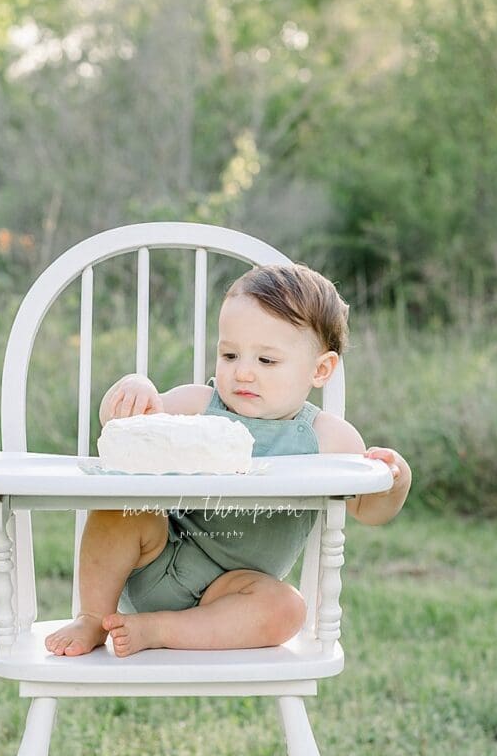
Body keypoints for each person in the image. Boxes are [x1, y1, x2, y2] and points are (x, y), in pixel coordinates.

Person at [45, 262, 411, 658]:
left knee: (288, 609)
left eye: (266, 361)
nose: (243, 373)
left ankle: (157, 629)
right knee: (118, 510)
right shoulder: (198, 404)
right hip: (157, 555)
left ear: (320, 369)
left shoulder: (329, 439)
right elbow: (127, 426)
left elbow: (369, 511)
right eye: (230, 354)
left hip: (235, 591)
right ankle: (93, 616)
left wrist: (394, 479)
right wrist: (132, 390)